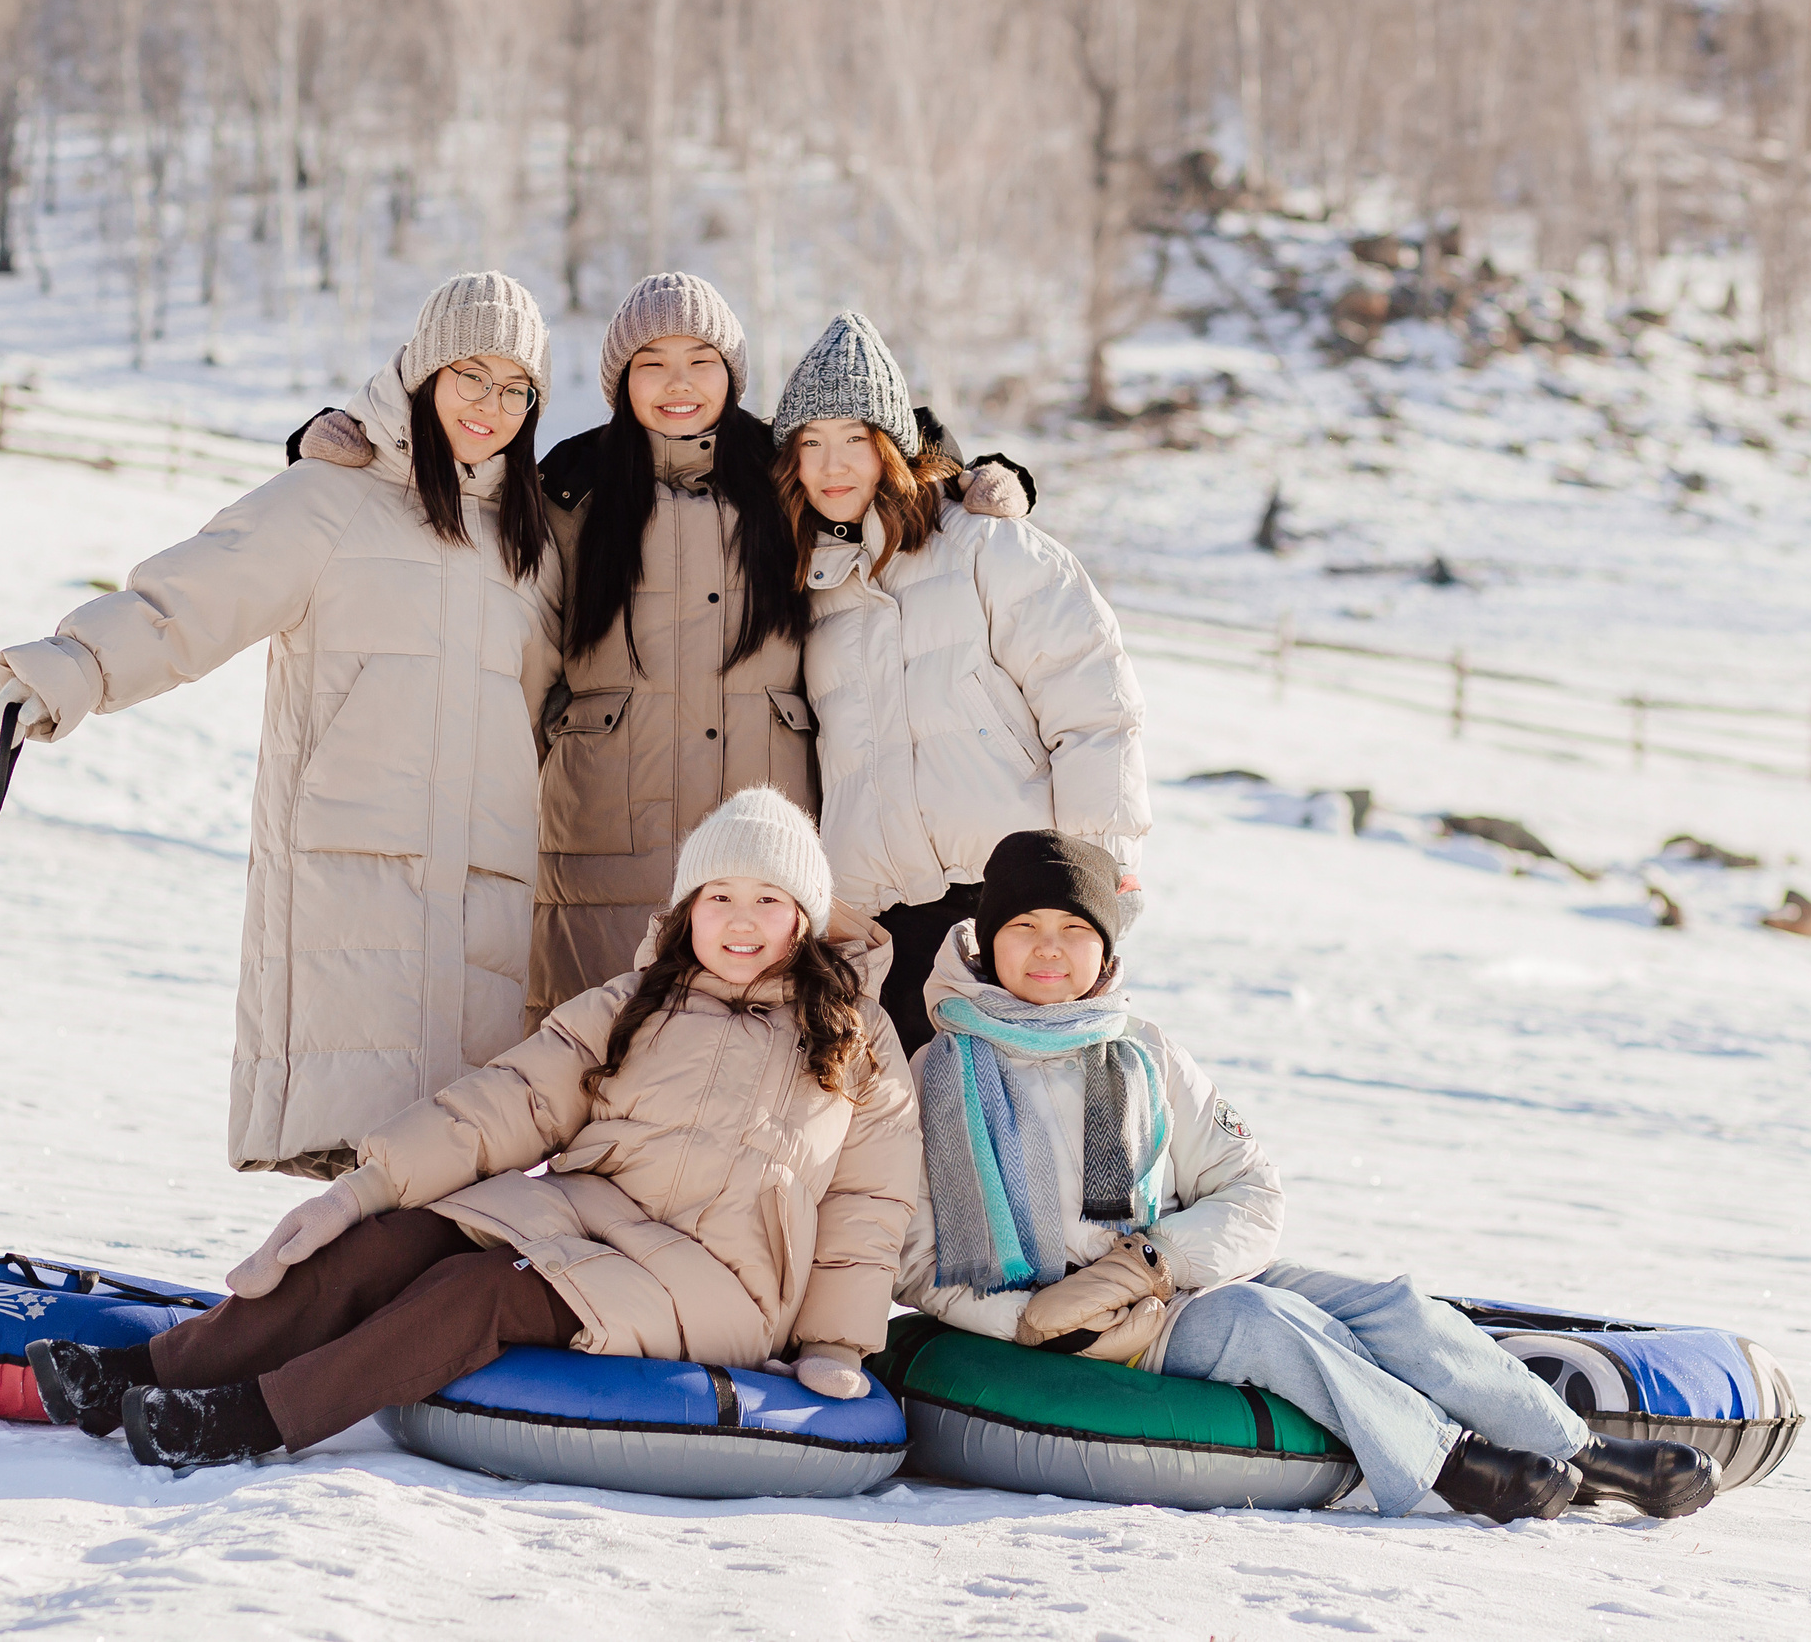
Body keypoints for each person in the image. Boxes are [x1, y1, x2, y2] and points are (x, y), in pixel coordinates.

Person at [24, 788, 921, 1471]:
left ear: (805, 915)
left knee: (480, 1288)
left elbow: (868, 1200)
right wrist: (366, 1189)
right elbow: (512, 1100)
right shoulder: (635, 1001)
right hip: (588, 1213)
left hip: (718, 1280)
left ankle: (247, 1419)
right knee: (394, 1242)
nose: (740, 921)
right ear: (689, 906)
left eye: (767, 899)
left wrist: (836, 1341)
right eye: (719, 895)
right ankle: (143, 1371)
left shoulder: (856, 1037)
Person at [896, 830, 1721, 1522]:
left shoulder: (1143, 1052)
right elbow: (913, 1255)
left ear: (1106, 946)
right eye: (1024, 925)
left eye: (1074, 927)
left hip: (1172, 1273)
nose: (1049, 947)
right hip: (1091, 1326)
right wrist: (1034, 1319)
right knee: (1259, 1319)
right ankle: (1456, 1463)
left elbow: (1251, 1189)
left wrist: (1157, 1258)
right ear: (987, 939)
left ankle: (1584, 1450)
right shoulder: (937, 1074)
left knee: (1393, 1305)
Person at [294, 277, 1033, 1030]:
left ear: (732, 375)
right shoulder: (571, 486)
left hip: (765, 830)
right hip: (602, 835)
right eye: (652, 363)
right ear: (620, 380)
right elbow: (462, 482)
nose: (678, 384)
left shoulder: (780, 476)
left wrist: (968, 470)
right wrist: (361, 445)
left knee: (760, 1056)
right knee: (593, 1052)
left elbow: (873, 455)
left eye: (701, 361)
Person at [0, 272, 559, 1179]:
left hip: (484, 896)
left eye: (515, 388)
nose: (490, 406)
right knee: (362, 1150)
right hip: (350, 876)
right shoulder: (330, 498)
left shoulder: (530, 545)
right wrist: (72, 668)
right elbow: (192, 598)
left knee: (459, 1172)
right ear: (424, 373)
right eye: (471, 376)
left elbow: (550, 715)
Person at [773, 312, 1144, 1055]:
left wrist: (1093, 870)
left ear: (892, 445)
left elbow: (1093, 704)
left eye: (854, 439)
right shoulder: (804, 582)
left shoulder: (985, 543)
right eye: (810, 443)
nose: (832, 465)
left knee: (1022, 1109)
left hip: (1004, 902)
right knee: (901, 1117)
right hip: (878, 923)